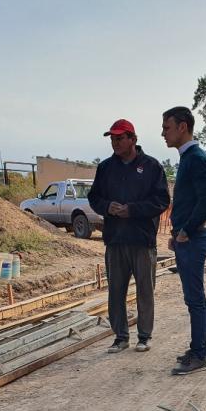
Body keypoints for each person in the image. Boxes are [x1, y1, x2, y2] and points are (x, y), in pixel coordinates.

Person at [88, 119, 170, 353]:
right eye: (112, 139)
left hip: (142, 239)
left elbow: (162, 200)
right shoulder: (105, 168)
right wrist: (108, 207)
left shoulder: (152, 167)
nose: (115, 143)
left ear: (133, 139)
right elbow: (94, 198)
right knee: (116, 290)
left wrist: (132, 210)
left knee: (145, 290)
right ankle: (121, 337)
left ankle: (144, 336)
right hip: (115, 239)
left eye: (120, 138)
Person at [161, 106, 206, 375]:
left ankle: (200, 353)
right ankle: (200, 347)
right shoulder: (188, 158)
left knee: (194, 299)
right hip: (187, 237)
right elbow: (190, 201)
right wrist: (176, 232)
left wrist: (186, 231)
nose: (163, 133)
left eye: (167, 127)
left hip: (193, 238)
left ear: (183, 127)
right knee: (196, 297)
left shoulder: (196, 158)